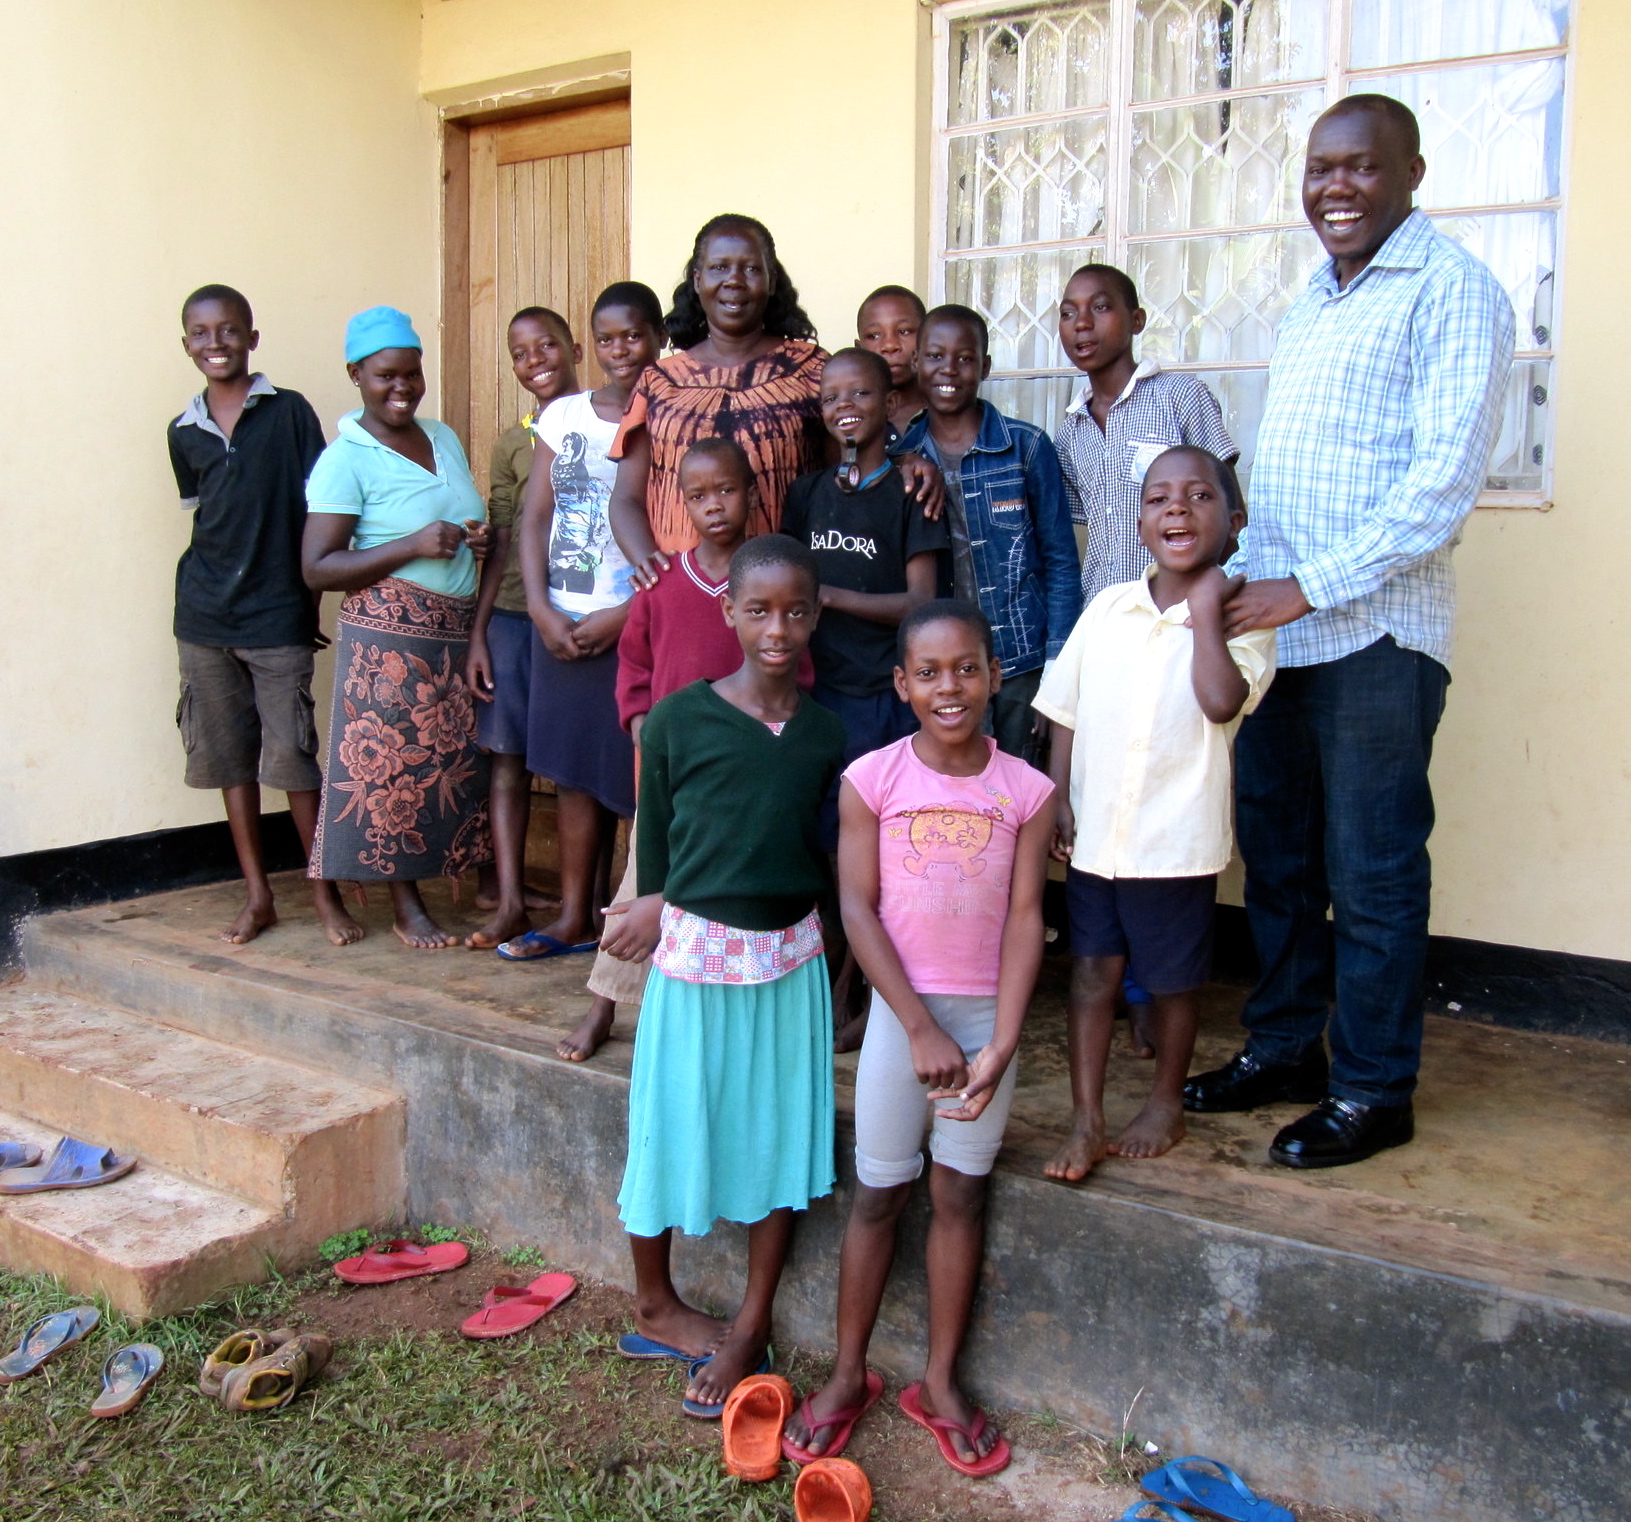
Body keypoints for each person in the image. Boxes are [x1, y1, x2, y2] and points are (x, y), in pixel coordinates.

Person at [1189, 95, 1516, 1169]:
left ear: (1411, 173)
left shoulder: (1452, 290)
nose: (1335, 187)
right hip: (1282, 639)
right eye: (1319, 168)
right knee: (1279, 864)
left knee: (1370, 872)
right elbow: (1286, 480)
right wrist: (1232, 579)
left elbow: (1440, 490)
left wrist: (1308, 587)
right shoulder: (1311, 300)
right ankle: (1285, 1048)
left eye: (1360, 167)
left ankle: (1373, 1088)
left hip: (1377, 636)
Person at [783, 599, 1053, 1479]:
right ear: (901, 684)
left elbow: (1025, 916)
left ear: (994, 676)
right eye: (929, 672)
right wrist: (917, 1025)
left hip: (984, 1027)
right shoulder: (873, 779)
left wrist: (1002, 1041)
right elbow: (856, 908)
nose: (950, 687)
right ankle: (847, 1372)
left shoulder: (1026, 790)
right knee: (878, 1193)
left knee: (960, 1195)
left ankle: (938, 1382)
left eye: (967, 668)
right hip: (906, 1024)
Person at [603, 534, 846, 1418]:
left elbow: (822, 858)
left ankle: (751, 1319)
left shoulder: (826, 736)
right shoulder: (677, 719)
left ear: (815, 615)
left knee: (782, 1134)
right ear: (728, 612)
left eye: (794, 612)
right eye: (758, 610)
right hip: (695, 959)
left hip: (790, 962)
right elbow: (658, 840)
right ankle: (655, 1303)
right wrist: (653, 903)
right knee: (669, 1122)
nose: (776, 629)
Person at [1034, 448, 1275, 1181]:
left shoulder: (1244, 620)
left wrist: (1204, 615)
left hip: (1173, 842)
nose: (1176, 508)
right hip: (1098, 835)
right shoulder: (1109, 607)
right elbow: (1064, 709)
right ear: (1140, 524)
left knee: (1172, 981)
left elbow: (1221, 702)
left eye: (1199, 495)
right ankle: (1086, 1119)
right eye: (1158, 498)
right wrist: (1058, 796)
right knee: (1090, 975)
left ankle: (1166, 1101)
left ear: (1234, 522)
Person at [560, 436, 792, 1061]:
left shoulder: (765, 583)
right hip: (670, 776)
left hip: (745, 773)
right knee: (644, 881)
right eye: (699, 495)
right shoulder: (662, 583)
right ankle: (604, 1004)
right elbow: (634, 666)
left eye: (727, 490)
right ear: (682, 503)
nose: (714, 505)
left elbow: (791, 668)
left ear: (752, 495)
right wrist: (641, 724)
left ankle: (695, 1016)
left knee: (722, 889)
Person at [167, 283, 361, 948]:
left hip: (276, 616)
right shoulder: (182, 431)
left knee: (293, 760)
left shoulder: (290, 413)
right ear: (186, 344)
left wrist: (310, 603)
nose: (215, 343)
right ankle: (258, 896)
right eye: (200, 333)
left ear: (252, 339)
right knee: (231, 763)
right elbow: (207, 520)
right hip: (204, 620)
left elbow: (318, 513)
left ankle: (323, 894)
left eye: (228, 330)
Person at [606, 214, 940, 583]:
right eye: (719, 267)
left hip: (786, 593)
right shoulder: (658, 381)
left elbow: (853, 460)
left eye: (750, 268)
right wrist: (656, 573)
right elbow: (626, 499)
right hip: (684, 588)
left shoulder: (813, 370)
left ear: (771, 280)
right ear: (698, 280)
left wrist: (906, 461)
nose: (734, 280)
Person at [302, 306, 492, 949]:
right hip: (388, 641)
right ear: (355, 374)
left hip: (452, 634)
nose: (402, 387)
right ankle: (404, 906)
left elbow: (457, 517)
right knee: (391, 775)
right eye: (386, 375)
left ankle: (469, 880)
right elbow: (318, 566)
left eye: (412, 373)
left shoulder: (441, 436)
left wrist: (475, 538)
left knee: (446, 766)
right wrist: (412, 544)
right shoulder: (344, 459)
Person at [783, 346, 948, 1050]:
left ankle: (860, 986)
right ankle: (829, 975)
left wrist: (828, 595)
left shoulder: (910, 490)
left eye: (859, 394)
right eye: (831, 397)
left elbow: (921, 602)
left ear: (889, 404)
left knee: (878, 850)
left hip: (883, 696)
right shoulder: (807, 494)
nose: (844, 407)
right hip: (820, 695)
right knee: (827, 843)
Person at [495, 287, 665, 962]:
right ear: (589, 346)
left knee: (631, 776)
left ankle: (627, 922)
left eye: (633, 336)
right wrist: (540, 609)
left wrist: (624, 616)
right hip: (560, 621)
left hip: (632, 620)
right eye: (607, 339)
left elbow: (671, 532)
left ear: (658, 338)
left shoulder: (667, 413)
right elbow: (535, 515)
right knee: (570, 774)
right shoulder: (562, 415)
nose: (620, 350)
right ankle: (573, 917)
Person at [895, 305, 1079, 762]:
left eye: (965, 358)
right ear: (916, 362)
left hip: (1023, 661)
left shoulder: (1026, 446)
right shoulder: (901, 459)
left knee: (1023, 780)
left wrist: (1057, 672)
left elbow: (1060, 561)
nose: (948, 369)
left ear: (986, 366)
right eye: (935, 356)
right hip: (945, 668)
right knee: (958, 783)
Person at [463, 306, 583, 949]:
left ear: (576, 350)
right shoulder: (513, 442)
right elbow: (504, 538)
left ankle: (584, 905)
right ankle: (509, 901)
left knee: (573, 766)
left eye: (547, 346)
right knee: (506, 760)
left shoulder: (605, 422)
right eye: (520, 352)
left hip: (580, 617)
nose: (534, 360)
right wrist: (479, 632)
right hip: (513, 616)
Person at [1054, 262, 1236, 607]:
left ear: (1136, 320)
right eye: (1068, 313)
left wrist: (1211, 601)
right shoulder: (1070, 432)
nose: (1081, 323)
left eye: (1101, 307)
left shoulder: (1180, 397)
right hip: (1105, 612)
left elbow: (1229, 510)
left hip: (1181, 611)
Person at [856, 284, 927, 441]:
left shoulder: (948, 412)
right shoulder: (850, 418)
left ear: (927, 339)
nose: (890, 346)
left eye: (904, 331)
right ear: (859, 348)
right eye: (874, 336)